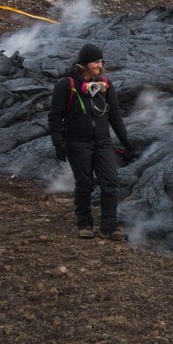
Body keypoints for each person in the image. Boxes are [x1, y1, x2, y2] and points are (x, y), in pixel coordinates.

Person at [47, 43, 133, 240]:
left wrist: (124, 139)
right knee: (85, 183)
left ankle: (109, 227)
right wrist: (58, 143)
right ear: (84, 63)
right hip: (77, 142)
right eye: (96, 61)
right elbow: (55, 116)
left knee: (110, 183)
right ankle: (84, 223)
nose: (100, 65)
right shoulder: (66, 85)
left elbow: (115, 114)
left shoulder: (105, 84)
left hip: (102, 141)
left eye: (101, 61)